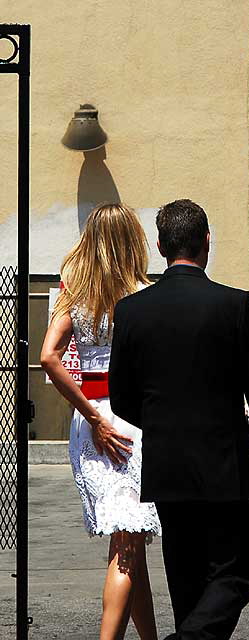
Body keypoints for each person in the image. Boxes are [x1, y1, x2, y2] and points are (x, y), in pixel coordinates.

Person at [108, 198, 249, 640]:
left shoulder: (132, 310)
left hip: (166, 464)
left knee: (185, 581)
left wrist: (163, 423)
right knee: (242, 569)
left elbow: (120, 398)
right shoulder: (235, 306)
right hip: (225, 464)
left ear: (160, 245)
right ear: (207, 243)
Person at [41, 204, 161, 640]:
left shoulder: (76, 291)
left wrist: (91, 416)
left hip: (90, 416)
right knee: (128, 544)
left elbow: (49, 356)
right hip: (130, 420)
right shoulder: (144, 292)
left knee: (130, 542)